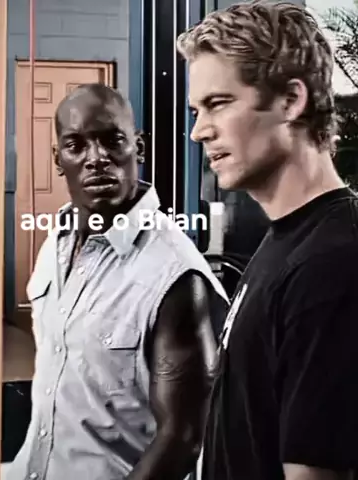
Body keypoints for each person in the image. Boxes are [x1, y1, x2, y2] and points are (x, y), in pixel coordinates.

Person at [7, 83, 229, 480]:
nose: (96, 158)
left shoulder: (175, 277)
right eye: (76, 145)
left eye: (112, 141)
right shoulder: (56, 243)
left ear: (138, 148)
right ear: (58, 159)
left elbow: (182, 438)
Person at [177, 1, 358, 479]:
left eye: (218, 103)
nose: (198, 131)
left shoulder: (332, 263)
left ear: (291, 100)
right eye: (196, 110)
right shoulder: (287, 240)